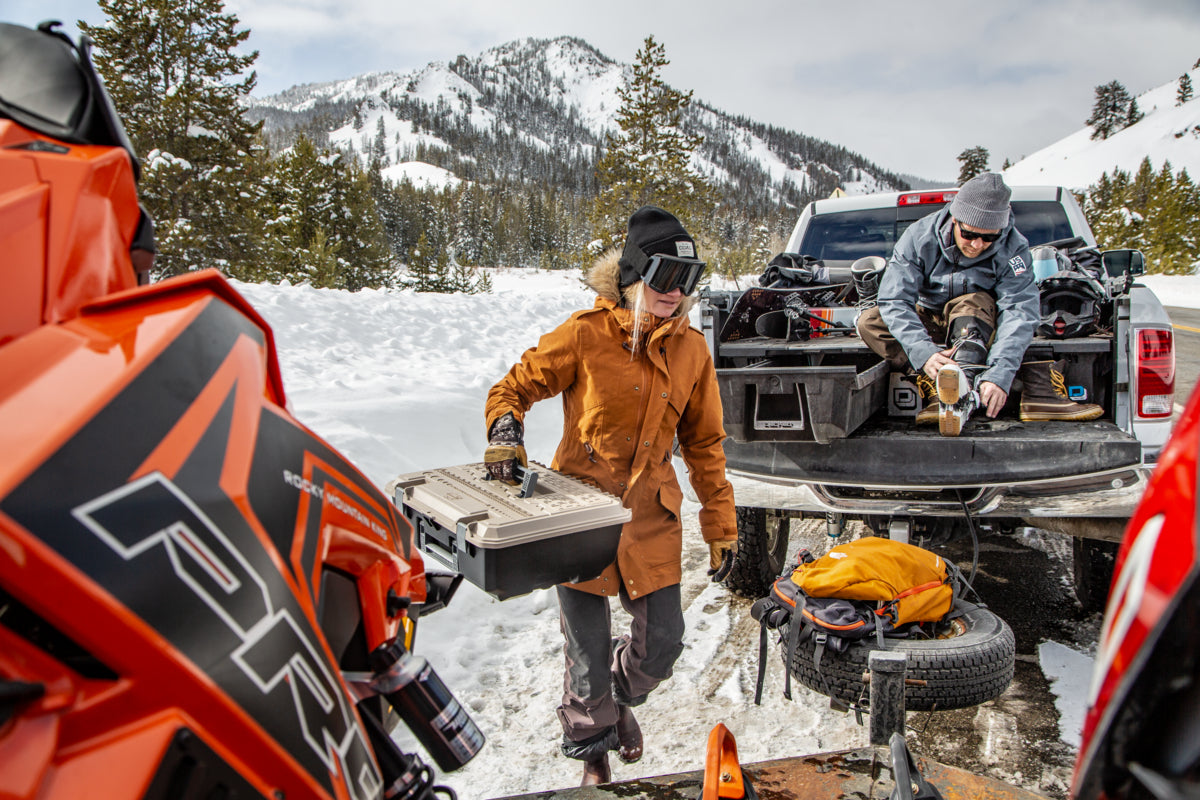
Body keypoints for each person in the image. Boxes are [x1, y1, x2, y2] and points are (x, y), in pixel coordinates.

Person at [483, 206, 738, 786]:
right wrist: (505, 429)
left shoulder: (694, 352)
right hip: (581, 518)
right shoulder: (584, 334)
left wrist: (720, 525)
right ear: (633, 275)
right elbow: (513, 387)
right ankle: (591, 746)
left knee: (661, 648)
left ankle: (618, 701)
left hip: (651, 515)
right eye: (665, 278)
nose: (676, 294)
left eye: (689, 281)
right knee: (586, 654)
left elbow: (704, 444)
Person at [855, 172, 1039, 436]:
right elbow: (894, 298)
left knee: (972, 300)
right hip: (928, 319)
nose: (977, 245)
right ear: (956, 219)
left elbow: (1020, 310)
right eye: (970, 234)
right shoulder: (918, 237)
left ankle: (965, 383)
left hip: (977, 320)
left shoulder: (1013, 248)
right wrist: (923, 352)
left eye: (989, 238)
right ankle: (935, 379)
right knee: (869, 321)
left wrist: (1000, 374)